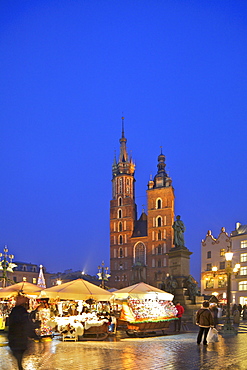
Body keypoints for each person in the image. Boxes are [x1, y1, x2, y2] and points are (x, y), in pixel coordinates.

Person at [8, 295, 30, 370]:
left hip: (16, 336)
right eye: (21, 297)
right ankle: (20, 366)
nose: (24, 298)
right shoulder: (20, 310)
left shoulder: (16, 310)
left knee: (18, 353)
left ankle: (19, 366)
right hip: (18, 336)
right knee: (19, 352)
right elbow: (24, 323)